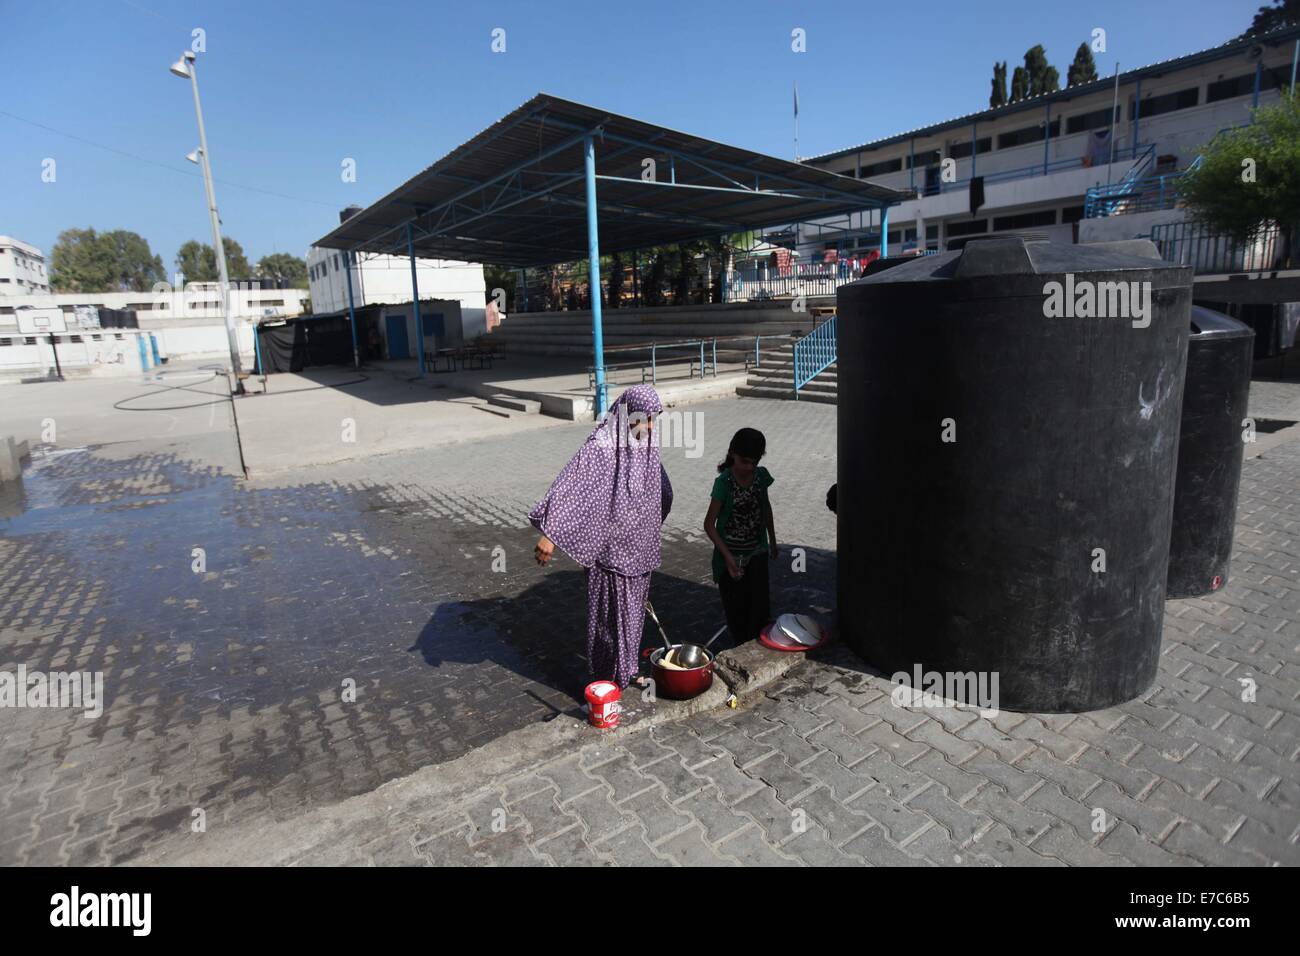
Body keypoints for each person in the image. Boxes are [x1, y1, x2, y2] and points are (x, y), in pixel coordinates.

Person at [530, 385, 672, 690]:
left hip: (640, 548)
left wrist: (649, 522)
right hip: (609, 551)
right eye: (642, 418)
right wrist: (550, 534)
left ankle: (630, 669)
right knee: (609, 620)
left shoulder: (648, 443)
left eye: (652, 419)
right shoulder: (603, 444)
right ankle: (606, 680)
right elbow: (574, 485)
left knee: (633, 615)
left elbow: (661, 489)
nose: (648, 426)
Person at [704, 427, 776, 643]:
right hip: (730, 559)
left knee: (760, 610)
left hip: (756, 554)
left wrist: (772, 539)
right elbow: (709, 525)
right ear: (733, 453)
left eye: (754, 462)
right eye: (744, 461)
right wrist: (728, 558)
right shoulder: (724, 483)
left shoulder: (761, 477)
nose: (749, 467)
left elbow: (766, 508)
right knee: (738, 614)